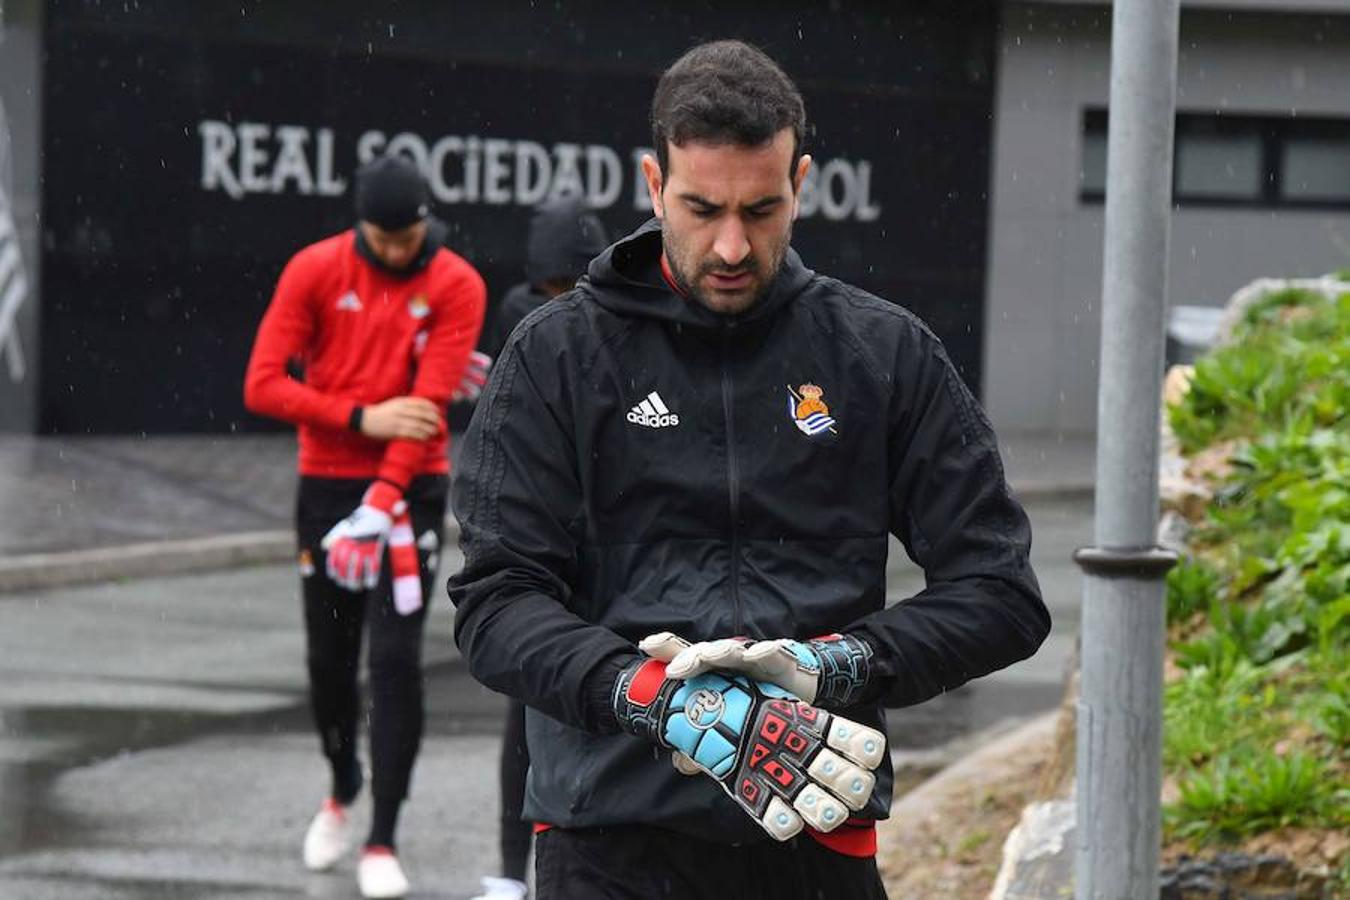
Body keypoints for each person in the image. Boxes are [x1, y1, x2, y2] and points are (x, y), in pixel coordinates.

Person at [449, 40, 1049, 900]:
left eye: (762, 210)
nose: (732, 245)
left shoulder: (881, 353)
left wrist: (834, 665)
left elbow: (1002, 593)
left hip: (813, 829)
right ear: (654, 187)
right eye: (701, 209)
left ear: (800, 182)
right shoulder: (557, 355)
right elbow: (497, 601)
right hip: (610, 841)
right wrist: (645, 695)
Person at [244, 154, 486, 899]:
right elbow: (262, 383)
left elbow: (427, 411)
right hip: (325, 486)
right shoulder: (315, 269)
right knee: (328, 659)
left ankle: (383, 834)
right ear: (361, 226)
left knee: (393, 662)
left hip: (408, 490)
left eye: (404, 234)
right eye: (380, 238)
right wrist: (357, 415)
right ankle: (342, 778)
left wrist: (383, 497)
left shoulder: (455, 283)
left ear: (424, 222)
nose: (393, 250)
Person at [467, 196, 611, 900]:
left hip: (608, 542)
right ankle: (506, 868)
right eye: (552, 285)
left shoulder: (623, 317)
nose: (563, 299)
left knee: (604, 706)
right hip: (540, 538)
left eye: (573, 283)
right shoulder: (516, 319)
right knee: (527, 710)